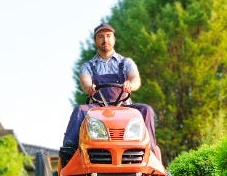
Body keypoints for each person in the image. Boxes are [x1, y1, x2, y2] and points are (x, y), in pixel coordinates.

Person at [60, 23, 160, 164]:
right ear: (96, 41)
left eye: (108, 36)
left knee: (146, 110)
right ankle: (69, 152)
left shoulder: (126, 63)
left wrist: (130, 84)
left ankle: (151, 150)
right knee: (79, 110)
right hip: (97, 108)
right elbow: (85, 81)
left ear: (114, 39)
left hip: (124, 107)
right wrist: (90, 87)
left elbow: (135, 79)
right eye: (101, 37)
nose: (105, 40)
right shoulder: (88, 66)